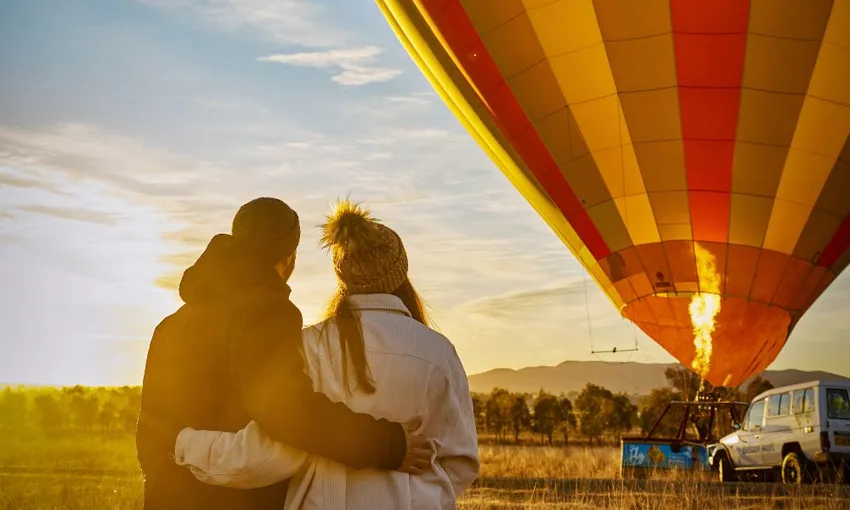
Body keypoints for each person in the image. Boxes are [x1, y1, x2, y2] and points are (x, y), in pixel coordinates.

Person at [170, 199, 480, 509]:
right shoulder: (440, 353)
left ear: (343, 275)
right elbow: (462, 462)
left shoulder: (309, 346)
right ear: (401, 273)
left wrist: (186, 444)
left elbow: (267, 456)